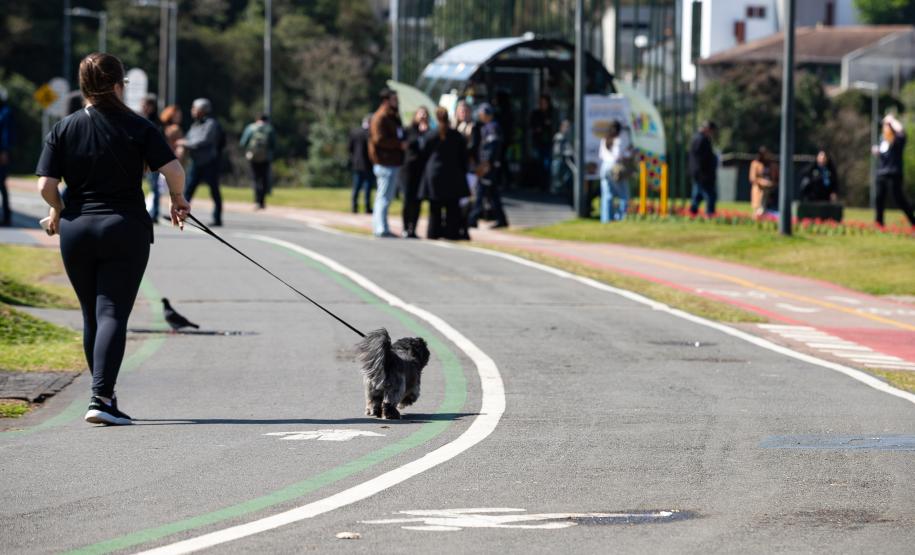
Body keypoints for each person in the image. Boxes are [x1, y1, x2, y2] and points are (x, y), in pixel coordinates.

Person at [35, 53, 189, 426]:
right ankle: (101, 398)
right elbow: (173, 170)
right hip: (124, 226)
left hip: (76, 229)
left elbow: (45, 185)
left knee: (93, 314)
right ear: (120, 85)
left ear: (84, 86)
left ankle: (104, 394)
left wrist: (56, 210)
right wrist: (178, 201)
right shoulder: (139, 126)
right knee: (112, 313)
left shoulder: (64, 127)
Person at [420, 107, 471, 240]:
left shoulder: (431, 134)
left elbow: (423, 152)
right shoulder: (456, 135)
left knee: (435, 208)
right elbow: (463, 156)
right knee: (452, 207)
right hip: (453, 174)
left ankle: (433, 232)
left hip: (435, 174)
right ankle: (451, 233)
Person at [178, 98, 224, 226]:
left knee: (214, 190)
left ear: (203, 110)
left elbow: (204, 140)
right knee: (188, 189)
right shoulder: (195, 125)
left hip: (209, 162)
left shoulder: (211, 124)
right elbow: (187, 138)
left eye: (195, 108)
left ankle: (217, 218)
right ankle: (181, 214)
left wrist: (185, 143)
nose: (192, 111)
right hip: (196, 162)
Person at [368, 88, 405, 237]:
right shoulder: (381, 117)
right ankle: (381, 228)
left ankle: (381, 226)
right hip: (385, 162)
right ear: (386, 101)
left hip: (391, 162)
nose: (396, 103)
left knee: (385, 197)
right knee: (383, 197)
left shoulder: (392, 116)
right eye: (394, 100)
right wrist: (398, 144)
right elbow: (378, 139)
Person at [468, 103, 509, 229]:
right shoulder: (487, 126)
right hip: (489, 165)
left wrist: (486, 164)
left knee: (481, 192)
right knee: (492, 193)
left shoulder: (492, 127)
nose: (480, 116)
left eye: (482, 114)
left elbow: (491, 148)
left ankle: (472, 219)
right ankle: (501, 219)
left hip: (489, 166)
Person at [872, 114, 915, 227]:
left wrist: (892, 120)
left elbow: (901, 131)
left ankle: (913, 221)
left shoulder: (898, 139)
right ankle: (879, 223)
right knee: (879, 198)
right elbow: (884, 156)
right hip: (882, 172)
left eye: (888, 126)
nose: (885, 127)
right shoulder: (883, 140)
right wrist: (878, 152)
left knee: (899, 199)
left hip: (893, 173)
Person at [399, 107, 430, 238]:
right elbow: (405, 145)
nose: (422, 116)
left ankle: (414, 229)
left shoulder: (429, 132)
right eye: (420, 114)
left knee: (418, 200)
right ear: (415, 115)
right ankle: (406, 228)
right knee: (408, 200)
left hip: (421, 170)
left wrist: (425, 133)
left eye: (425, 114)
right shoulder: (408, 130)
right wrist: (418, 135)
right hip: (407, 169)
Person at [239, 114, 276, 210]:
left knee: (255, 179)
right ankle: (262, 202)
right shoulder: (269, 129)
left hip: (253, 157)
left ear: (257, 119)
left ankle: (256, 201)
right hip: (265, 158)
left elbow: (243, 142)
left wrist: (249, 150)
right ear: (266, 120)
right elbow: (273, 145)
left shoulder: (250, 128)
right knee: (264, 179)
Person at [598, 121, 631, 223]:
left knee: (607, 195)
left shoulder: (604, 139)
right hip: (615, 168)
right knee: (624, 195)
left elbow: (601, 155)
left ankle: (606, 219)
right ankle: (621, 218)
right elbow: (620, 155)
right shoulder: (619, 140)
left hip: (604, 168)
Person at [688, 121, 718, 216]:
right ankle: (710, 213)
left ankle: (693, 211)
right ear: (707, 129)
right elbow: (700, 158)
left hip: (699, 172)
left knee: (698, 193)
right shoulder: (701, 139)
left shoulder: (698, 138)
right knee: (710, 194)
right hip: (703, 173)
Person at [140, 95, 163, 222]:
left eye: (145, 105)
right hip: (143, 159)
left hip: (152, 160)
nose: (142, 107)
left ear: (151, 107)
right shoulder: (144, 119)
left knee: (154, 187)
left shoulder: (155, 123)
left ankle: (155, 212)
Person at [348, 115, 374, 214]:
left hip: (357, 164)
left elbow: (349, 148)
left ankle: (354, 207)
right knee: (367, 188)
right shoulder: (371, 133)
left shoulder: (355, 132)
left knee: (356, 187)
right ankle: (367, 207)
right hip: (368, 164)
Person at [530, 93, 555, 188]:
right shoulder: (536, 113)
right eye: (541, 103)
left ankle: (546, 184)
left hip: (549, 141)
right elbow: (532, 125)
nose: (543, 105)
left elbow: (553, 126)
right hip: (538, 141)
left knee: (547, 163)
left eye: (545, 103)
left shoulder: (552, 113)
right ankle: (540, 184)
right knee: (539, 163)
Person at [749, 146, 778, 218]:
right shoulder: (755, 163)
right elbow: (752, 178)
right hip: (759, 189)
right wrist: (763, 182)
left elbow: (777, 177)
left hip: (771, 190)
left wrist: (772, 183)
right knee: (758, 209)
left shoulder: (773, 164)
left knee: (769, 209)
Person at [0, 86, 13, 226]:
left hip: (1, 153)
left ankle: (7, 216)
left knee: (2, 185)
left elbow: (6, 134)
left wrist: (4, 151)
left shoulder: (5, 112)